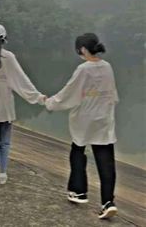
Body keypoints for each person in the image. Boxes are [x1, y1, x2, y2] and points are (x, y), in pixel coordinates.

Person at [45, 33, 119, 219]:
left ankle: (79, 191)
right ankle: (108, 202)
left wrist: (50, 103)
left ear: (83, 49)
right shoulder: (107, 67)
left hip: (85, 118)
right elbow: (113, 95)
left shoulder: (84, 69)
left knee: (77, 150)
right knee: (106, 160)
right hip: (103, 119)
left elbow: (69, 93)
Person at [0, 24, 46, 185]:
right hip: (4, 106)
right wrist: (38, 97)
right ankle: (2, 174)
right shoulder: (9, 57)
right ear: (4, 39)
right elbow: (21, 81)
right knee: (5, 142)